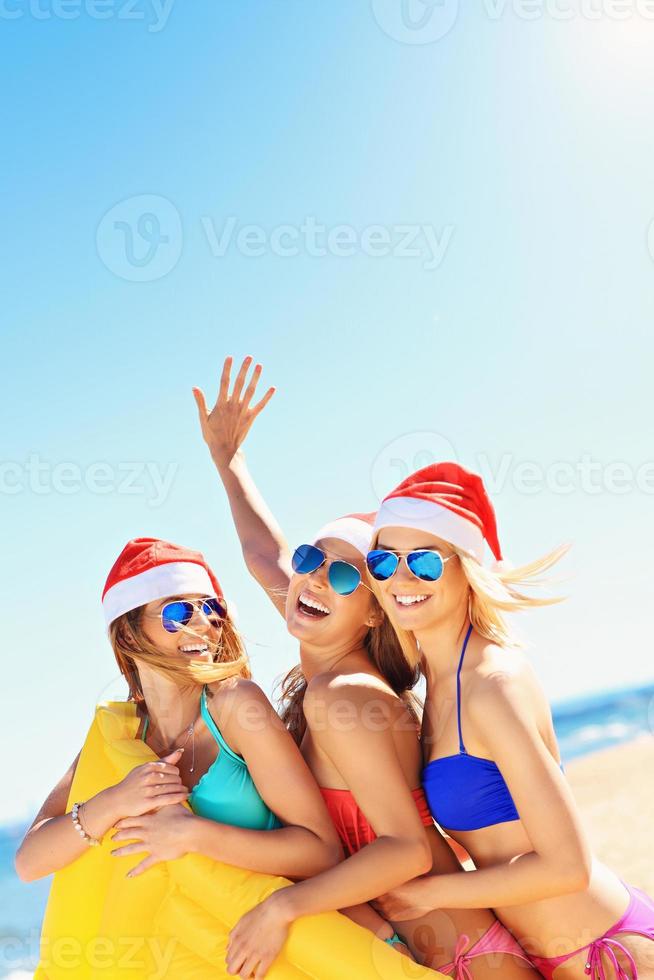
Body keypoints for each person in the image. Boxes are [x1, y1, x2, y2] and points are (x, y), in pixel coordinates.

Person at [192, 356, 540, 979]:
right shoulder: (326, 637)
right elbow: (262, 553)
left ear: (376, 613)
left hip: (459, 960)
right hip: (415, 949)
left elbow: (406, 850)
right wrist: (229, 460)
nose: (315, 578)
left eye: (346, 574)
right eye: (310, 558)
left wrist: (283, 908)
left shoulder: (345, 694)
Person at [365, 461, 654, 980]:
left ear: (467, 567)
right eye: (383, 561)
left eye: (425, 562)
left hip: (605, 952)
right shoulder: (437, 683)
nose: (401, 577)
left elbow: (568, 865)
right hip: (545, 953)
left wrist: (428, 893)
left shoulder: (492, 685)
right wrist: (231, 467)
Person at [15, 537, 342, 887]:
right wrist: (114, 802)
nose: (202, 623)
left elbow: (322, 852)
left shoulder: (236, 706)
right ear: (128, 634)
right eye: (177, 612)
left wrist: (193, 834)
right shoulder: (121, 735)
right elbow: (29, 863)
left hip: (276, 931)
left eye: (211, 609)